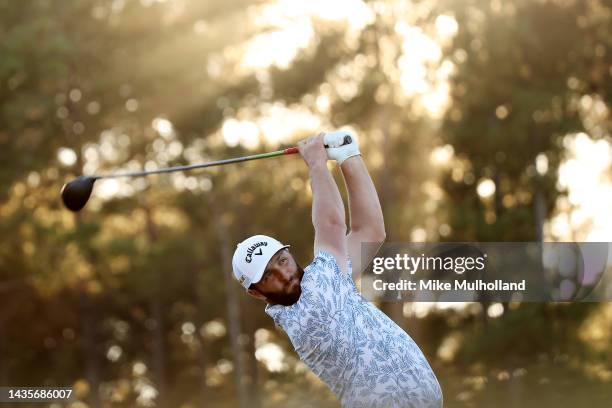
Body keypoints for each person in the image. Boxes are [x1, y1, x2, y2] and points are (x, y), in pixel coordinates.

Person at [232, 131, 443, 408]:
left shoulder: (329, 281)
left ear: (289, 253)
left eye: (281, 261)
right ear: (256, 293)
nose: (283, 274)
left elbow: (369, 231)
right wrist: (317, 164)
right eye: (268, 276)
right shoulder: (307, 310)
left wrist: (348, 155)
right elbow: (331, 225)